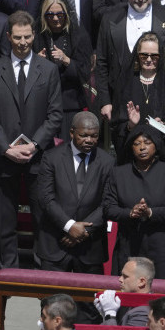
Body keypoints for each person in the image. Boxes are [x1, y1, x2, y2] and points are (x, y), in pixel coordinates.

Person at [0, 10, 62, 268]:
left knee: (42, 220)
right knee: (6, 222)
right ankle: (9, 273)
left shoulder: (48, 70)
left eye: (27, 36)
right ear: (8, 36)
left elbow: (55, 114)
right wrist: (6, 149)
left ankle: (40, 272)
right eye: (17, 37)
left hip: (39, 159)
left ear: (34, 35)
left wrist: (34, 145)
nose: (23, 42)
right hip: (4, 159)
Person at [32, 112, 113, 275]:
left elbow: (108, 202)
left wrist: (83, 232)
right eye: (83, 135)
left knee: (89, 293)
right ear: (71, 132)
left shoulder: (107, 162)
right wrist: (69, 226)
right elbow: (46, 198)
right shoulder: (52, 157)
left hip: (90, 248)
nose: (89, 140)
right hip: (55, 243)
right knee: (52, 292)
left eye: (94, 136)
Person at [104, 123, 165, 280]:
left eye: (147, 143)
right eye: (137, 143)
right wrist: (130, 213)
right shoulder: (118, 174)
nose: (142, 147)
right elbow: (108, 208)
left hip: (163, 248)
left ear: (156, 145)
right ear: (131, 147)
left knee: (164, 292)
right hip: (129, 245)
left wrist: (150, 212)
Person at [112, 32, 165, 150]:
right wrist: (130, 125)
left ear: (161, 56)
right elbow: (116, 124)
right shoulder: (127, 82)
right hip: (132, 148)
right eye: (144, 55)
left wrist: (163, 126)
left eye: (154, 56)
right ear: (137, 55)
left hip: (163, 149)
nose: (148, 60)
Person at [34, 0, 93, 137]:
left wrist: (67, 60)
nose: (55, 19)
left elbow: (85, 72)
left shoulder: (78, 35)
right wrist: (35, 62)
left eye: (60, 14)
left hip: (70, 103)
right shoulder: (37, 35)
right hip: (43, 105)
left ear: (66, 14)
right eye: (50, 15)